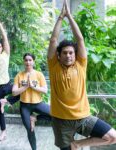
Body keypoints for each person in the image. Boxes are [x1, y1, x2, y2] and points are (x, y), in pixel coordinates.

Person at [47, 0, 116, 150]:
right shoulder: (54, 67)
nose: (68, 55)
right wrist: (60, 18)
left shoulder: (80, 64)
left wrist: (70, 17)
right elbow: (53, 40)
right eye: (64, 53)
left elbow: (80, 39)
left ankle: (77, 144)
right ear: (58, 56)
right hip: (61, 121)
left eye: (71, 52)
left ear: (75, 54)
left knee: (112, 137)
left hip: (83, 117)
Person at [12, 53, 51, 150]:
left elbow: (45, 90)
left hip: (38, 104)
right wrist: (26, 86)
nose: (28, 62)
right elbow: (14, 92)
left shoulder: (39, 74)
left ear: (33, 61)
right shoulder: (19, 75)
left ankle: (35, 118)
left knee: (56, 114)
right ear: (23, 62)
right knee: (30, 130)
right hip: (25, 106)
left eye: (30, 60)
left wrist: (33, 87)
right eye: (26, 60)